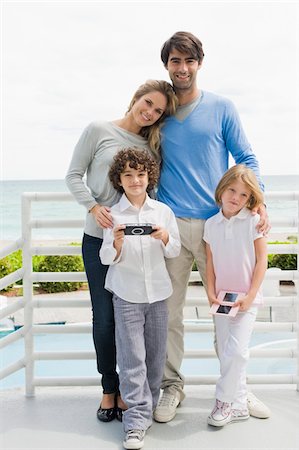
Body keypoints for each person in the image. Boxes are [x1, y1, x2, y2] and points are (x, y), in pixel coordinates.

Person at [153, 31, 271, 423]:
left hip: (217, 230)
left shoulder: (222, 107)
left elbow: (247, 158)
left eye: (189, 61)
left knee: (230, 311)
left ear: (199, 63)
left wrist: (260, 201)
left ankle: (236, 390)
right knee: (169, 314)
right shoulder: (159, 111)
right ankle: (172, 387)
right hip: (170, 229)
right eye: (174, 61)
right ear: (166, 65)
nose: (182, 68)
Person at [65, 80, 178, 423]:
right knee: (104, 318)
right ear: (135, 98)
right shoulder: (98, 129)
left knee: (133, 324)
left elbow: (150, 193)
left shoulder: (149, 146)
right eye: (148, 103)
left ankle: (136, 395)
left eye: (158, 111)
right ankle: (109, 388)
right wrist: (92, 207)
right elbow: (73, 176)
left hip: (137, 244)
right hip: (98, 238)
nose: (150, 112)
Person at [100, 148, 181, 449]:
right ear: (119, 180)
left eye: (141, 174)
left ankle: (149, 406)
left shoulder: (163, 212)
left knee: (156, 356)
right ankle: (134, 421)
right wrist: (117, 244)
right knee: (132, 357)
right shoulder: (113, 214)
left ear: (150, 176)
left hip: (158, 293)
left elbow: (174, 251)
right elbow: (105, 256)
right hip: (126, 294)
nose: (136, 180)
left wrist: (164, 238)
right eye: (128, 175)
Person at [203, 164, 268, 427]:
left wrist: (251, 295)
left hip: (246, 300)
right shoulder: (211, 224)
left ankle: (223, 401)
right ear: (221, 190)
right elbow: (209, 263)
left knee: (238, 352)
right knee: (228, 352)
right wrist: (210, 292)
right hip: (221, 300)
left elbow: (262, 260)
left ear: (250, 199)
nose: (236, 198)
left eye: (243, 195)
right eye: (232, 190)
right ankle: (239, 402)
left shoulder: (253, 222)